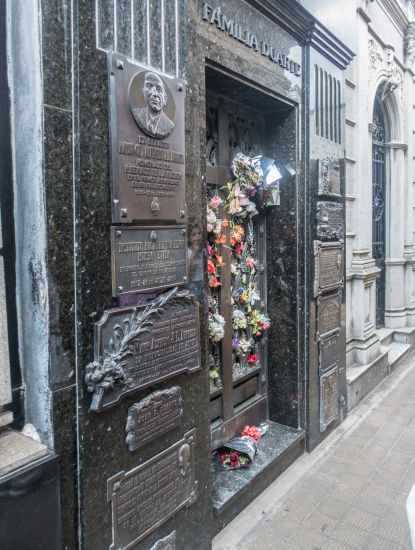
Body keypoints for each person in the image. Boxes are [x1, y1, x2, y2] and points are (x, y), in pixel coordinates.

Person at [131, 71, 175, 138]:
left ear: (165, 99)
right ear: (143, 92)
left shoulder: (169, 125)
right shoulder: (136, 114)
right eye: (149, 86)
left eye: (158, 89)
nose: (154, 93)